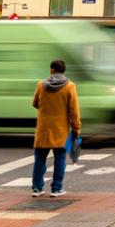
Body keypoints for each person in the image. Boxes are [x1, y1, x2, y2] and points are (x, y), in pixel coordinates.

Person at [31, 59, 81, 198]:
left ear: (52, 70)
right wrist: (76, 128)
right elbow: (74, 110)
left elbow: (35, 103)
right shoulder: (70, 86)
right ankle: (56, 188)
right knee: (59, 159)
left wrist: (46, 109)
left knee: (40, 158)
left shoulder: (41, 85)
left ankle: (37, 188)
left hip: (43, 129)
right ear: (64, 70)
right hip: (60, 129)